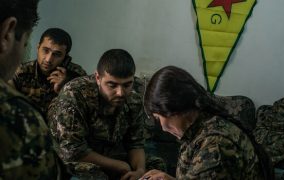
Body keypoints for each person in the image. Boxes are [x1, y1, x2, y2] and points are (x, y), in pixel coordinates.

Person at [47, 49, 165, 180]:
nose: (120, 92)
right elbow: (73, 151)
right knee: (95, 175)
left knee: (156, 168)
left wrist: (139, 171)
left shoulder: (134, 97)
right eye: (112, 85)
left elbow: (135, 143)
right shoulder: (74, 95)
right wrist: (119, 166)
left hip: (111, 151)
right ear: (98, 78)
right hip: (75, 158)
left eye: (127, 84)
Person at [140, 66, 273, 180]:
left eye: (159, 118)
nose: (163, 128)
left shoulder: (215, 146)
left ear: (175, 109)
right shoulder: (202, 126)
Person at [0, 0, 60, 179]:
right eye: (25, 43)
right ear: (7, 34)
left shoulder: (72, 75)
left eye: (56, 54)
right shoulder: (18, 118)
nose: (48, 59)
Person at [9, 27, 87, 116]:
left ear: (65, 57)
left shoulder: (76, 75)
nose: (48, 59)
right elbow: (7, 103)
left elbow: (87, 110)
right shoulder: (20, 72)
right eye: (45, 50)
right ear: (38, 48)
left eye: (57, 54)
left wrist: (67, 88)